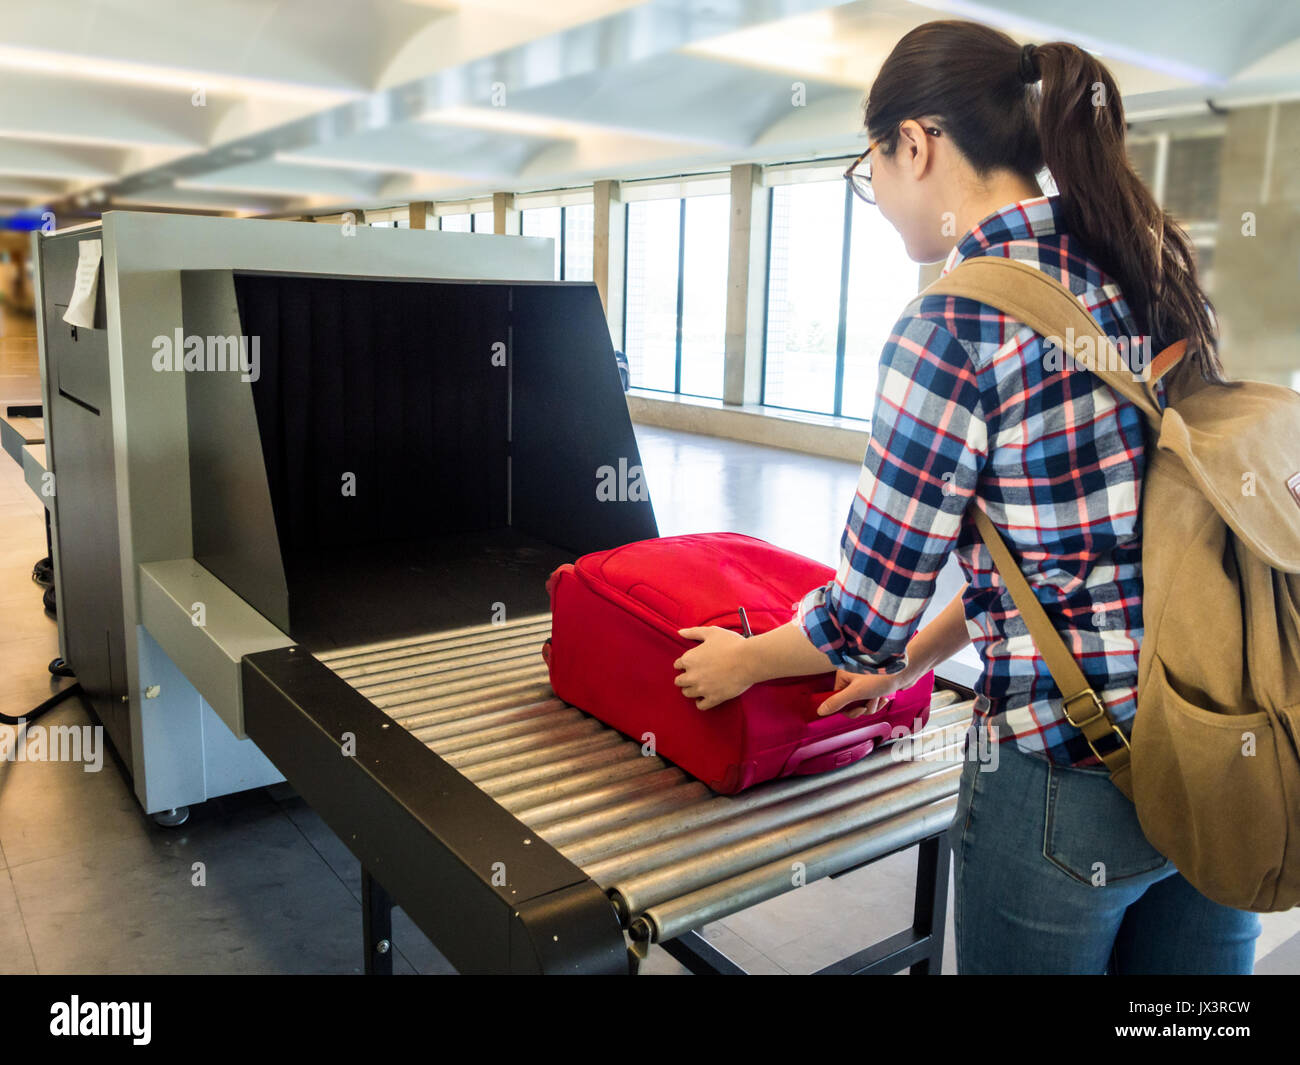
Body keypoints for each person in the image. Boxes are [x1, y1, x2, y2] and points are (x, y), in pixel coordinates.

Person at [671, 18, 1261, 975]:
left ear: (918, 141)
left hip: (1071, 782)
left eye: (872, 169)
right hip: (1219, 739)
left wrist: (745, 662)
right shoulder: (1151, 267)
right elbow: (1072, 552)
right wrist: (919, 657)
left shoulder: (952, 320)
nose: (879, 200)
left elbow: (861, 614)